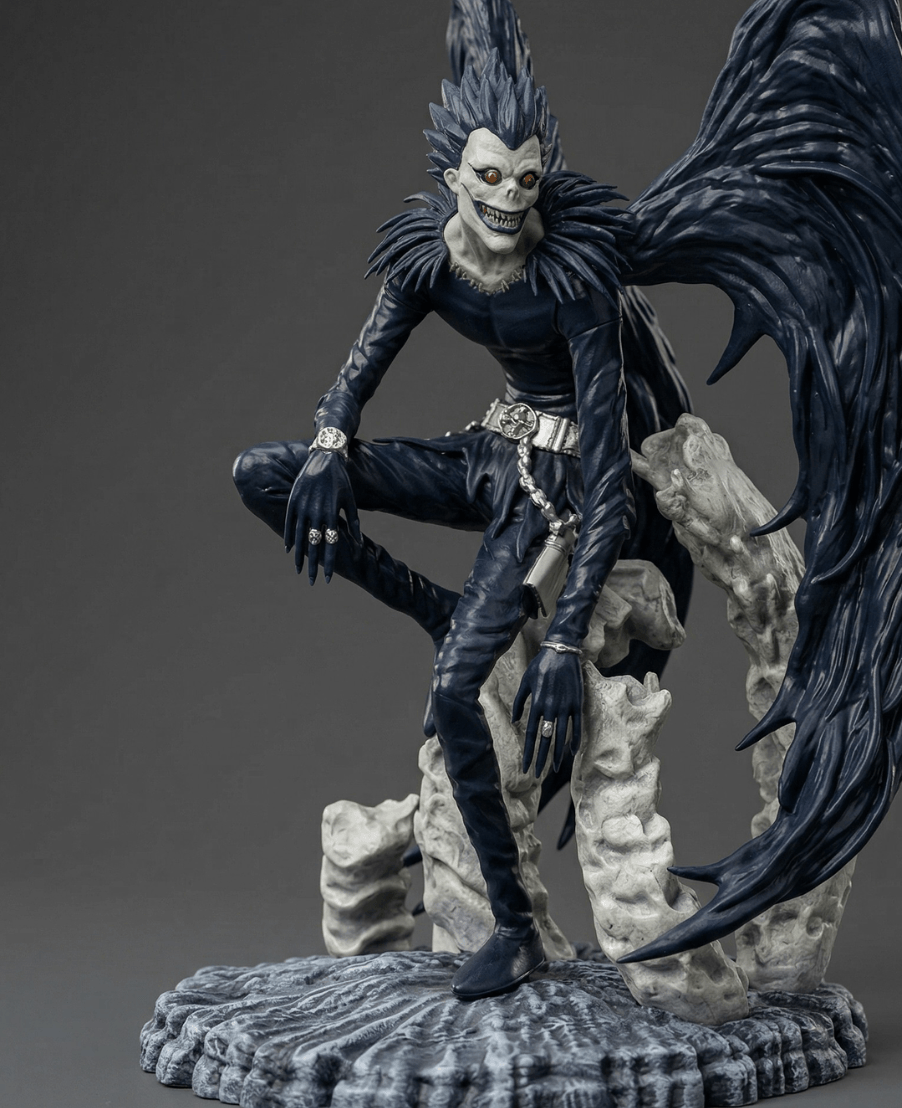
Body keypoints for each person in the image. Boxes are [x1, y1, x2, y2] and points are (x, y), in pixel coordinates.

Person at [233, 53, 677, 999]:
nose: (510, 198)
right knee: (264, 474)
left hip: (555, 489)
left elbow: (610, 481)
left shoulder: (574, 280)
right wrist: (328, 446)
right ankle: (435, 608)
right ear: (453, 177)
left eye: (527, 178)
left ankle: (513, 929)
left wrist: (564, 638)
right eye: (489, 177)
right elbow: (358, 371)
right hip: (483, 451)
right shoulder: (428, 259)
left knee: (453, 693)